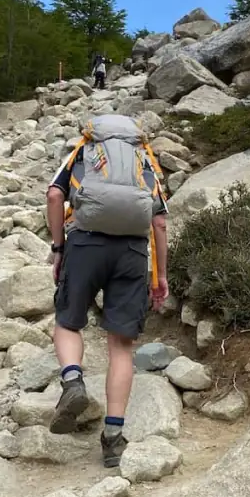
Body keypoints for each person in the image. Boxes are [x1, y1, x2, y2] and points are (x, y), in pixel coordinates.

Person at [46, 114, 169, 468]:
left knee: (68, 323)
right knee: (121, 347)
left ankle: (72, 380)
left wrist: (58, 248)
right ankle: (113, 438)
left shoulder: (84, 152)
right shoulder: (142, 159)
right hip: (131, 253)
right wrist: (161, 276)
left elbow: (55, 196)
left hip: (85, 244)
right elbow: (159, 221)